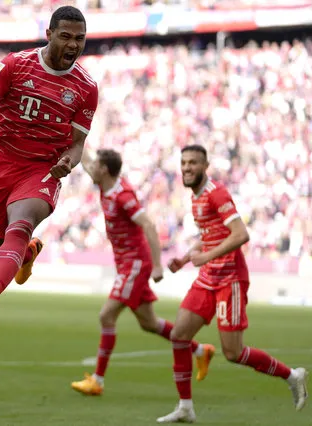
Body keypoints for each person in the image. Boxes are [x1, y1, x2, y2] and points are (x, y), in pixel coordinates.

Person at [0, 5, 98, 325]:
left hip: (42, 170)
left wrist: (69, 162)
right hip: (1, 164)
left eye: (80, 38)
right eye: (65, 36)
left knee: (20, 222)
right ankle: (25, 253)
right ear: (49, 35)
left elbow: (77, 146)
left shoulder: (86, 87)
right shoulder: (15, 64)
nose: (74, 45)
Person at [156, 145, 308, 423]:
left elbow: (241, 234)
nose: (187, 167)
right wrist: (188, 258)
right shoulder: (196, 197)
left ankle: (292, 375)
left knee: (233, 353)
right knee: (179, 336)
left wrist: (206, 257)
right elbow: (211, 234)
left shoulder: (217, 194)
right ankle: (186, 407)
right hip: (207, 278)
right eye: (184, 163)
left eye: (193, 163)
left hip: (230, 279)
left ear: (205, 166)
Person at [70, 149, 215, 395]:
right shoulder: (105, 183)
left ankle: (98, 380)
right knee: (149, 323)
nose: (90, 169)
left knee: (106, 316)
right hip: (126, 263)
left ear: (104, 169)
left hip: (135, 264)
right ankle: (201, 351)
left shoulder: (123, 196)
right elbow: (84, 159)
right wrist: (74, 134)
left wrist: (157, 264)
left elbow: (147, 223)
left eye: (95, 165)